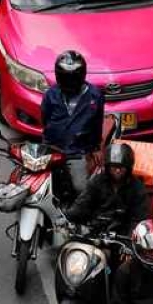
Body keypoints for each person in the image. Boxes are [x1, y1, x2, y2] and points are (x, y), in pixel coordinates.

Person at [41, 51, 105, 202]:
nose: (69, 82)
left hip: (77, 151)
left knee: (80, 189)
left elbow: (97, 124)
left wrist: (95, 148)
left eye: (73, 77)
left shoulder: (95, 96)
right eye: (65, 77)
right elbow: (45, 119)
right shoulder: (50, 95)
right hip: (52, 149)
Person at [65, 143, 150, 237]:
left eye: (121, 167)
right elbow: (81, 205)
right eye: (114, 167)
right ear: (108, 167)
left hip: (123, 236)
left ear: (128, 168)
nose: (117, 171)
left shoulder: (137, 187)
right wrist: (66, 218)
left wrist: (131, 236)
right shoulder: (97, 181)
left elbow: (139, 218)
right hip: (96, 233)